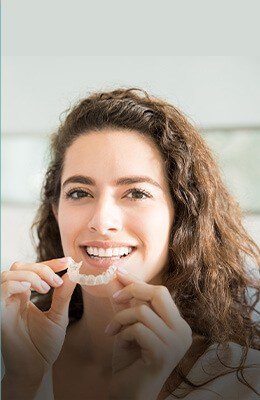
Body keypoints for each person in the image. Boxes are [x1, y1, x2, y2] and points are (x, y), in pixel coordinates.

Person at [1, 88, 260, 400]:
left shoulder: (244, 381)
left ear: (182, 215)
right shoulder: (12, 357)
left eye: (136, 193)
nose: (102, 221)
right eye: (79, 192)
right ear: (57, 212)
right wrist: (25, 383)